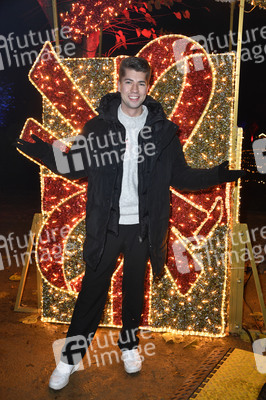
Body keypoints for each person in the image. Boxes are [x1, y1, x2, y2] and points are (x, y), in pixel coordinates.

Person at [16, 56, 245, 391]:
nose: (134, 89)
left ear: (147, 86)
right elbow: (74, 167)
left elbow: (179, 175)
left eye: (141, 83)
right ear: (119, 84)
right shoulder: (98, 128)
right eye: (128, 82)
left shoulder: (163, 132)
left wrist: (217, 175)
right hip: (106, 227)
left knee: (134, 293)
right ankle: (70, 360)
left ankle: (129, 347)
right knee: (91, 294)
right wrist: (45, 152)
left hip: (143, 228)